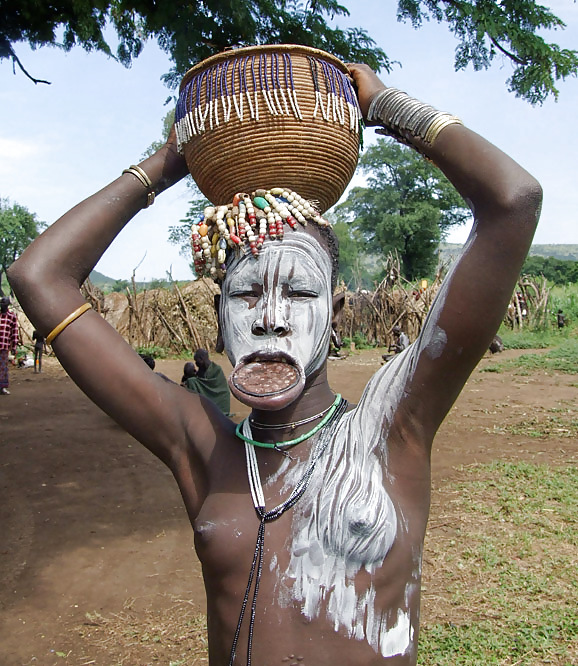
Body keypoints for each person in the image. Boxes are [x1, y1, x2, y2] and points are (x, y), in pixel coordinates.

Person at [7, 61, 541, 665]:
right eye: (245, 292)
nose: (269, 315)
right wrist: (172, 160)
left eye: (301, 293)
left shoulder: (393, 431)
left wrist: (389, 107)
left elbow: (513, 202)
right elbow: (39, 276)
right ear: (219, 316)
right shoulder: (203, 447)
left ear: (336, 312)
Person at [182, 349, 231, 416]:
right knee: (191, 381)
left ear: (201, 359)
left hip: (219, 397)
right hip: (207, 397)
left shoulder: (216, 369)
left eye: (196, 360)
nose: (196, 363)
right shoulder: (201, 370)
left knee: (191, 381)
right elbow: (201, 382)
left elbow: (218, 387)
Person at [0, 296, 19, 395]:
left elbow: (14, 332)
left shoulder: (11, 316)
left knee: (3, 367)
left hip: (4, 346)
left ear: (7, 306)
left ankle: (2, 388)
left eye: (4, 304)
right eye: (1, 304)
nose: (2, 306)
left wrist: (14, 347)